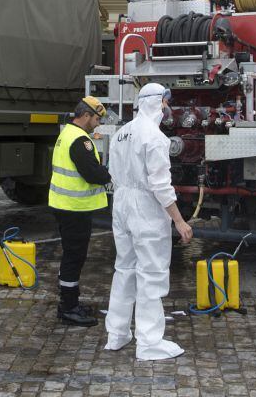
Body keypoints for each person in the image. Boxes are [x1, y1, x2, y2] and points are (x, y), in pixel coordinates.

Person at [104, 82, 193, 361]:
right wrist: (178, 220)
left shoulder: (122, 133)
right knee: (151, 274)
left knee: (124, 269)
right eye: (166, 102)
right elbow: (161, 185)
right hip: (145, 206)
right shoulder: (154, 137)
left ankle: (117, 334)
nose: (167, 109)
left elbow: (112, 171)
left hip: (121, 203)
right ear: (159, 103)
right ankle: (149, 342)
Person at [48, 95, 111, 326]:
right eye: (97, 118)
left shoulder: (67, 133)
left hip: (65, 205)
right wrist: (108, 173)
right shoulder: (80, 141)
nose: (98, 123)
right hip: (74, 208)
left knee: (71, 256)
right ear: (86, 115)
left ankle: (70, 302)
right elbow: (92, 174)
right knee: (74, 258)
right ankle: (68, 308)